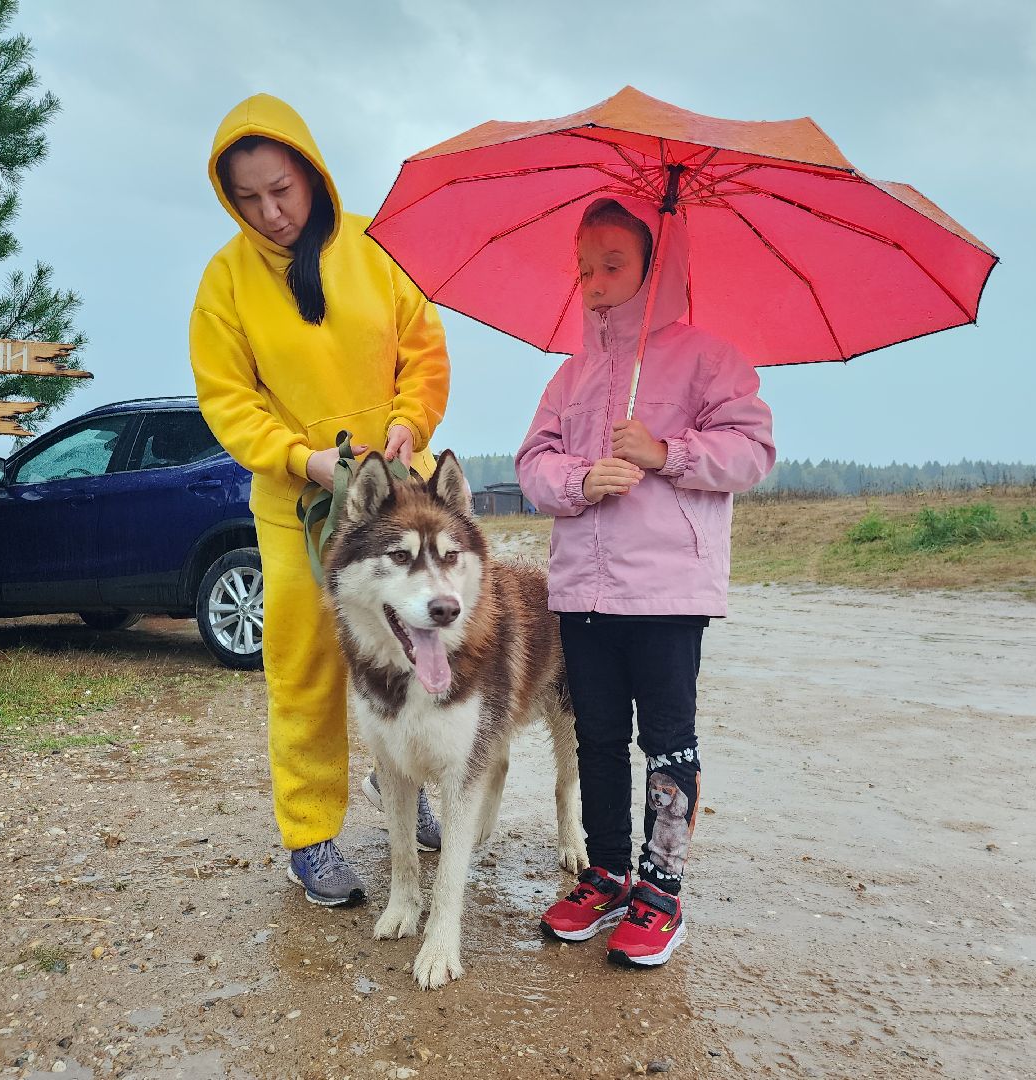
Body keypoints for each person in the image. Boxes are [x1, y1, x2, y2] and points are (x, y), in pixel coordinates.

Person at [189, 94, 451, 906]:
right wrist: (301, 460)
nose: (271, 213)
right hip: (298, 506)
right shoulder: (226, 283)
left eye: (283, 190)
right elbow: (229, 401)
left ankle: (403, 785)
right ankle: (310, 835)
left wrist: (409, 424)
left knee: (413, 650)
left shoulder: (377, 248)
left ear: (312, 174)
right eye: (249, 199)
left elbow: (425, 353)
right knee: (305, 666)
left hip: (399, 495)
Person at [514, 197, 774, 966]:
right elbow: (532, 465)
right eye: (585, 267)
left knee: (665, 740)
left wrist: (666, 451)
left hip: (666, 594)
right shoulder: (571, 375)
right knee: (596, 735)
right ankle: (607, 870)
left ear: (658, 268)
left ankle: (661, 889)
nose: (593, 281)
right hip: (583, 591)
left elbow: (753, 452)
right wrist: (579, 478)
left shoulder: (709, 360)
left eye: (613, 265)